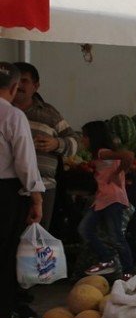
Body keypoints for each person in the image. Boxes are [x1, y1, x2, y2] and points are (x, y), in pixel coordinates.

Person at [0, 62, 44, 318]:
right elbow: (25, 162)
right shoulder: (13, 116)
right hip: (5, 193)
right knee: (4, 259)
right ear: (15, 88)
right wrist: (36, 198)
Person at [13, 62, 79, 230]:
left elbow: (75, 142)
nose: (19, 85)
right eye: (17, 80)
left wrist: (56, 143)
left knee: (36, 242)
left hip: (44, 187)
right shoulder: (5, 111)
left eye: (25, 81)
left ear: (36, 86)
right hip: (8, 186)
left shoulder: (49, 113)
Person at [77, 121, 136, 277]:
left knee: (115, 237)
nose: (83, 140)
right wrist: (119, 171)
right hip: (103, 199)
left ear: (93, 138)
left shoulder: (102, 153)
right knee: (85, 229)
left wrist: (117, 173)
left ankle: (128, 271)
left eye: (85, 136)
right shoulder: (105, 153)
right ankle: (108, 259)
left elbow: (129, 156)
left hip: (112, 200)